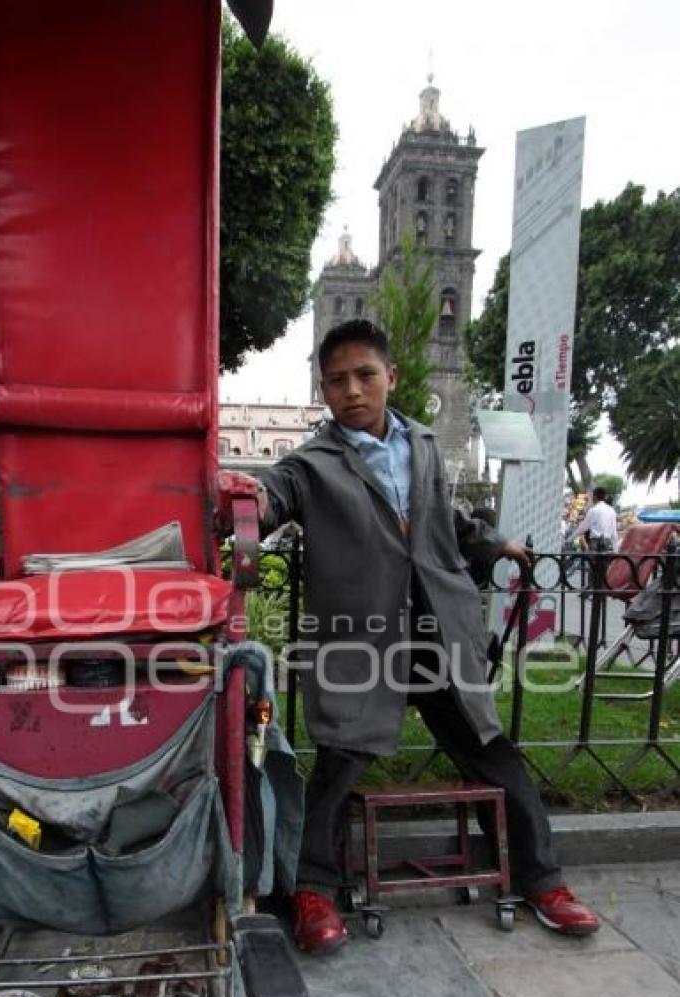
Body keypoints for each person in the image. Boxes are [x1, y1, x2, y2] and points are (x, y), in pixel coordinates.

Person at [237, 319, 600, 953]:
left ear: (391, 377)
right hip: (363, 637)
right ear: (323, 390)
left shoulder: (424, 445)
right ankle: (313, 891)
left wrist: (492, 543)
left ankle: (543, 879)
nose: (352, 390)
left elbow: (445, 519)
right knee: (340, 762)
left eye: (364, 375)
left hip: (438, 630)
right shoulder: (312, 463)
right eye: (336, 381)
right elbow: (274, 493)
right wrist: (249, 498)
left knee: (491, 752)